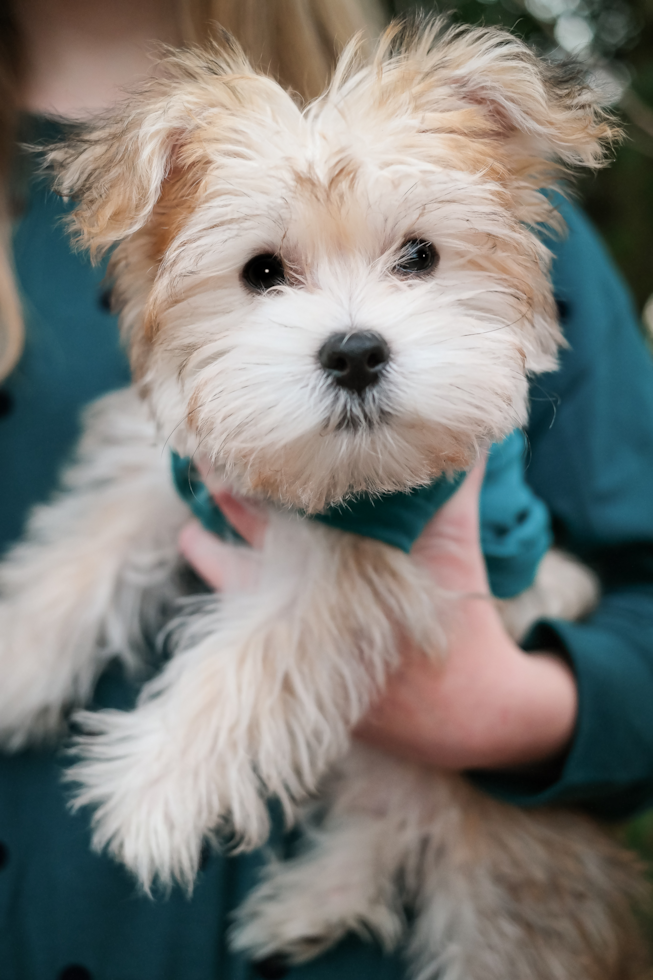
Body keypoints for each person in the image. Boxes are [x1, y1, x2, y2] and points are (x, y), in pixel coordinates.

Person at [0, 2, 652, 978]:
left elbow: (352, 583)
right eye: (267, 270)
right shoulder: (138, 189)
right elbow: (146, 479)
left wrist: (512, 708)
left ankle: (383, 852)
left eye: (415, 257)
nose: (351, 329)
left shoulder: (501, 230)